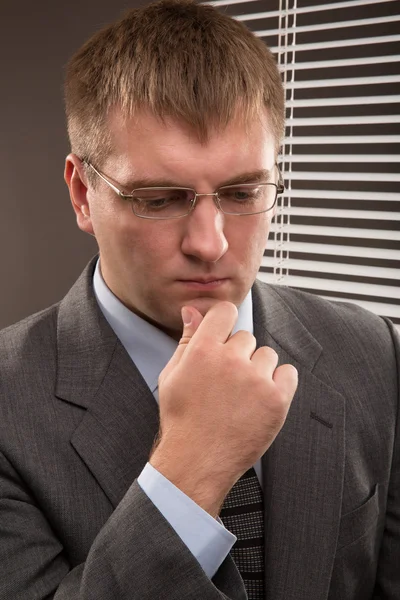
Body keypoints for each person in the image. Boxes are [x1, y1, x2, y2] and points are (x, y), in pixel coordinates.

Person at [0, 0, 399, 598]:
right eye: (159, 198)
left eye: (243, 192)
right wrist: (189, 472)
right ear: (83, 194)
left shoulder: (376, 350)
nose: (210, 244)